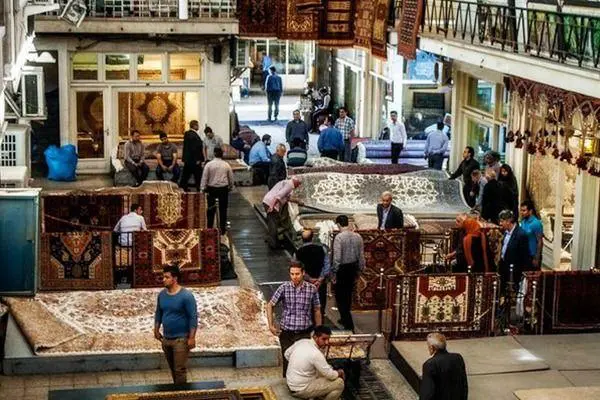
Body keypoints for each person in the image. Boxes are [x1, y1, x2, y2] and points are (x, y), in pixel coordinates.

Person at [267, 261, 322, 377]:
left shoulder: (312, 289)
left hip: (304, 333)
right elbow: (270, 305)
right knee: (287, 362)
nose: (294, 277)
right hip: (287, 333)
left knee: (303, 362)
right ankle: (289, 383)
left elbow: (317, 310)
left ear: (303, 273)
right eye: (292, 274)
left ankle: (301, 383)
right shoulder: (284, 288)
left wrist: (318, 329)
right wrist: (270, 325)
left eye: (297, 274)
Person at [154, 265, 198, 384]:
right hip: (166, 338)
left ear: (175, 278)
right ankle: (176, 390)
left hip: (181, 339)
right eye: (163, 277)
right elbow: (158, 313)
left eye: (167, 277)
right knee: (173, 369)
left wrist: (192, 338)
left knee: (179, 369)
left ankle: (182, 392)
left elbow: (193, 317)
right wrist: (156, 329)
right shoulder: (162, 295)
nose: (163, 280)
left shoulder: (186, 296)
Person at [285, 325, 345, 400]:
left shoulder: (302, 342)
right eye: (324, 339)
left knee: (321, 372)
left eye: (328, 339)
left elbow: (286, 354)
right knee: (339, 383)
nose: (327, 342)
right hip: (300, 390)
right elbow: (330, 375)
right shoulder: (316, 354)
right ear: (315, 337)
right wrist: (339, 372)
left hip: (291, 384)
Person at [332, 215, 365, 332]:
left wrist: (334, 272)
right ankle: (344, 318)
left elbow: (337, 258)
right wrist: (360, 270)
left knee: (340, 296)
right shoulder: (358, 237)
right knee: (348, 294)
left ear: (338, 224)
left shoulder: (339, 238)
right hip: (353, 268)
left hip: (342, 269)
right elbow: (361, 256)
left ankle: (347, 322)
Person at [419, 332, 468, 400]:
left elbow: (427, 394)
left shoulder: (429, 364)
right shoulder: (458, 358)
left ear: (432, 347)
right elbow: (464, 386)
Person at [295, 229, 330, 316]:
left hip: (305, 283)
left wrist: (309, 279)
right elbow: (327, 265)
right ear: (312, 237)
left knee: (307, 307)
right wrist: (320, 279)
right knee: (320, 306)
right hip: (320, 284)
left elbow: (297, 268)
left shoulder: (298, 252)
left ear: (302, 239)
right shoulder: (322, 249)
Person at [201, 147, 234, 234]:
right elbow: (231, 177)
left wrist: (202, 189)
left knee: (211, 209)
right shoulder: (226, 165)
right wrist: (231, 187)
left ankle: (209, 228)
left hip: (211, 189)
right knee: (223, 209)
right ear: (222, 154)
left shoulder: (209, 165)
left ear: (214, 154)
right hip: (223, 189)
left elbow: (205, 177)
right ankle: (222, 229)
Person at [263, 176, 302, 249]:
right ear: (295, 182)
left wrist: (298, 201)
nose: (299, 186)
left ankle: (270, 239)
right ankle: (273, 244)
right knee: (273, 223)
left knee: (273, 222)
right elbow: (278, 196)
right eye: (299, 184)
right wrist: (272, 206)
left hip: (268, 201)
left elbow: (287, 198)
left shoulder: (286, 183)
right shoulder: (289, 185)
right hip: (270, 203)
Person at [498, 210, 531, 293]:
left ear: (509, 221)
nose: (500, 223)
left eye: (502, 221)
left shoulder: (521, 235)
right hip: (505, 268)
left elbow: (524, 257)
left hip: (515, 272)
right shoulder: (506, 232)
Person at [180, 120, 205, 192]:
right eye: (197, 125)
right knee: (198, 176)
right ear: (194, 126)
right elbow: (195, 149)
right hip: (194, 160)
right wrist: (198, 159)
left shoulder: (187, 134)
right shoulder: (193, 135)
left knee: (185, 175)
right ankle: (199, 190)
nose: (198, 127)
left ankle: (183, 188)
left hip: (188, 159)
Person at [519, 200, 543, 269]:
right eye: (521, 210)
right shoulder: (523, 221)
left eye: (524, 211)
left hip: (532, 256)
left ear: (530, 211)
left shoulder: (536, 223)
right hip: (524, 255)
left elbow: (540, 242)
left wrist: (537, 258)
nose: (522, 213)